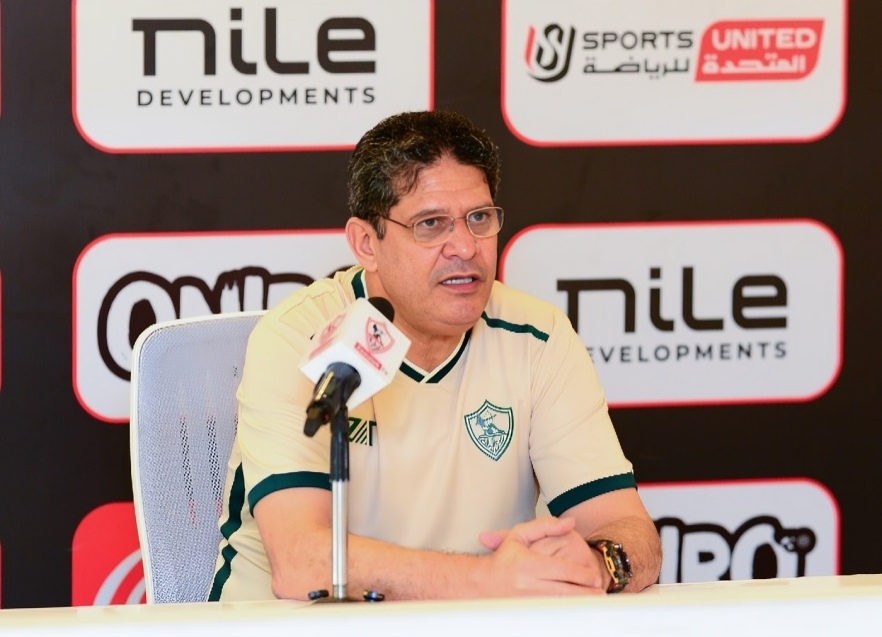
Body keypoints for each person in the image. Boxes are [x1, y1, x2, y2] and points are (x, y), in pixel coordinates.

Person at [208, 110, 661, 602]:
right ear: (367, 243)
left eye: (479, 218)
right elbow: (303, 563)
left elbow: (628, 527)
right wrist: (488, 579)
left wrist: (600, 565)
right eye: (430, 224)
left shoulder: (539, 336)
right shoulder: (303, 338)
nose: (464, 247)